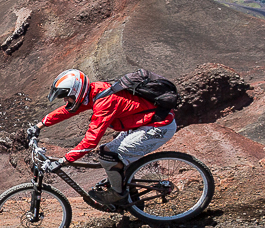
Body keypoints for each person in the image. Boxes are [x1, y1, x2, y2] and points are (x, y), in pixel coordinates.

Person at [26, 68, 178, 206]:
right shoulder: (94, 91)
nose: (66, 100)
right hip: (143, 123)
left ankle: (118, 194)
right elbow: (66, 111)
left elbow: (90, 141)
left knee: (108, 155)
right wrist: (40, 125)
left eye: (67, 97)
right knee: (109, 153)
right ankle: (133, 200)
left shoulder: (104, 102)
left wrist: (64, 160)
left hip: (159, 126)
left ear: (76, 93)